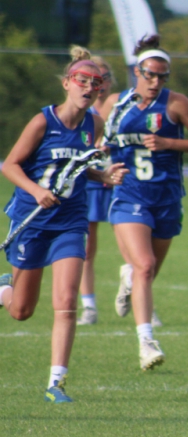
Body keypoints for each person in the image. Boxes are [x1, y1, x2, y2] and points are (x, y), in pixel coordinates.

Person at [0, 46, 127, 402]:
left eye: (96, 84)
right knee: (22, 312)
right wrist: (36, 190)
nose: (89, 88)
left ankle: (56, 383)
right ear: (68, 84)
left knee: (67, 299)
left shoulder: (94, 124)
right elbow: (9, 165)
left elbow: (76, 167)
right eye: (83, 81)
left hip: (71, 221)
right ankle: (3, 290)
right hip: (32, 220)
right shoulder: (43, 121)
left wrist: (103, 175)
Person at [101, 35, 188, 370]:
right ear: (137, 71)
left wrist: (168, 143)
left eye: (162, 77)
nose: (155, 82)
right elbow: (97, 145)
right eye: (149, 74)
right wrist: (105, 168)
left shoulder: (176, 104)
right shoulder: (114, 104)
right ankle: (146, 342)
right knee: (145, 266)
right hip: (129, 195)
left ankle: (129, 277)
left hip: (166, 197)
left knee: (148, 271)